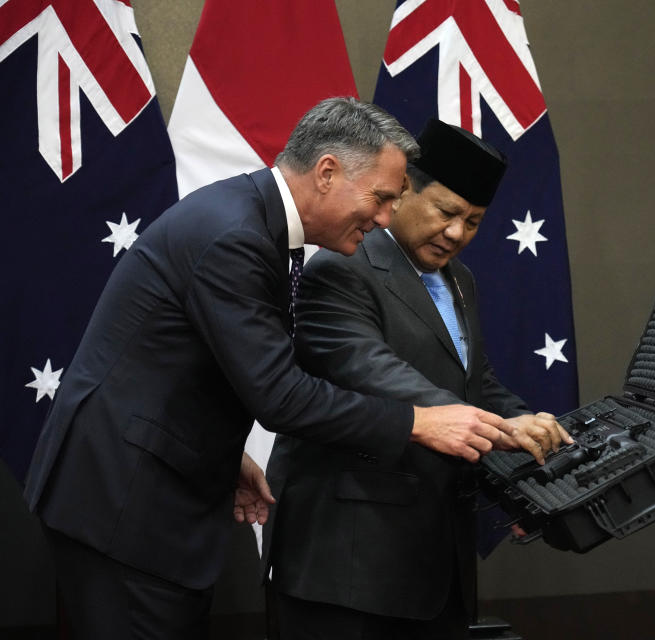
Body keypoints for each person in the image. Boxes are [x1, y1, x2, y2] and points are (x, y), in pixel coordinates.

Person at [23, 98, 513, 638]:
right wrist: (417, 422)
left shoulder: (253, 221)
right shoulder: (236, 234)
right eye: (381, 198)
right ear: (327, 172)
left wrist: (226, 452)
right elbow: (279, 395)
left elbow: (184, 361)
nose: (383, 218)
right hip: (123, 505)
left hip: (146, 495)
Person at [262, 119, 571, 639]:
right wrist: (499, 431)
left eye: (474, 222)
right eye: (447, 212)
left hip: (436, 562)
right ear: (403, 192)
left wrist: (524, 420)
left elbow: (476, 380)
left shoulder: (461, 280)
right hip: (347, 565)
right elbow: (373, 373)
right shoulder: (342, 266)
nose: (457, 234)